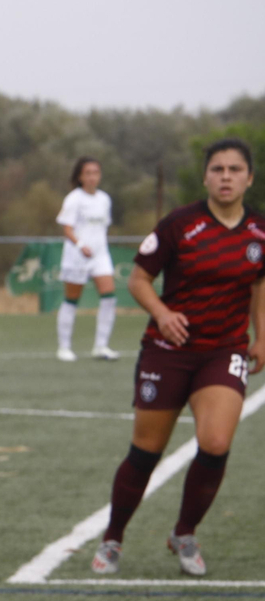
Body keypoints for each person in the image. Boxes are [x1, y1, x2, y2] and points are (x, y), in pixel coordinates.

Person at [91, 137, 263, 578]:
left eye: (235, 169)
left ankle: (184, 533)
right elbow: (139, 278)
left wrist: (261, 336)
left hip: (223, 351)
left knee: (217, 442)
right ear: (206, 176)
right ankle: (113, 538)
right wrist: (163, 313)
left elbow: (259, 286)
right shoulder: (179, 225)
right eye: (218, 169)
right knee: (147, 451)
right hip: (167, 353)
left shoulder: (259, 232)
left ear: (249, 177)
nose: (226, 177)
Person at [56, 157, 119, 361]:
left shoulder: (104, 199)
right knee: (71, 299)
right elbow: (67, 228)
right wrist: (81, 245)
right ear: (80, 176)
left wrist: (97, 248)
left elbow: (102, 227)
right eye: (88, 173)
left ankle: (101, 346)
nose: (92, 177)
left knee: (109, 296)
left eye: (96, 172)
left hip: (100, 256)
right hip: (77, 256)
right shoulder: (74, 199)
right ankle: (64, 347)